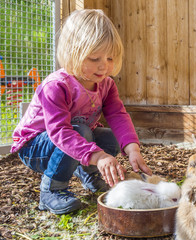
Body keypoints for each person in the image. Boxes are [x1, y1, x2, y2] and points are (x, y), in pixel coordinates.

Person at [10, 9, 152, 215]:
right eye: (95, 58)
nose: (104, 65)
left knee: (111, 139)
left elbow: (118, 115)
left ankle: (88, 174)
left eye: (110, 58)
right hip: (35, 148)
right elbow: (59, 132)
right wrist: (99, 156)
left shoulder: (106, 85)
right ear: (73, 52)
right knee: (81, 132)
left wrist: (132, 149)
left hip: (73, 139)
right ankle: (51, 190)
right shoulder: (57, 85)